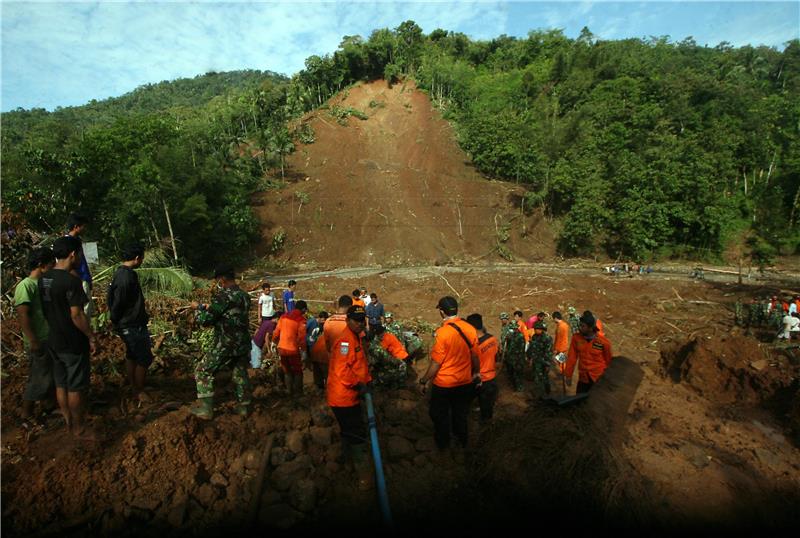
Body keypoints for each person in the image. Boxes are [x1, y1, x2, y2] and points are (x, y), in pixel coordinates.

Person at [39, 236, 98, 440]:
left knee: (61, 383)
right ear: (73, 254)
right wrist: (90, 336)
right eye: (80, 254)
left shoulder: (44, 279)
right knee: (76, 386)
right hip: (72, 341)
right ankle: (79, 427)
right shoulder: (71, 282)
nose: (82, 258)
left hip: (53, 338)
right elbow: (77, 315)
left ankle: (68, 422)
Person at [190, 266, 252, 419]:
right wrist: (209, 307)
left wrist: (197, 309)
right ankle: (243, 408)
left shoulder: (222, 296)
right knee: (240, 373)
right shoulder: (244, 296)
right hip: (242, 343)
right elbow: (231, 313)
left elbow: (205, 320)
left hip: (225, 343)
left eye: (218, 281)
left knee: (203, 370)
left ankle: (205, 409)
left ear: (222, 279)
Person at [419, 296, 480, 452]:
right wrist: (476, 373)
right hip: (464, 382)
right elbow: (474, 356)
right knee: (460, 414)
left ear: (441, 311)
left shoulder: (442, 333)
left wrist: (424, 380)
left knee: (439, 414)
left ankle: (443, 444)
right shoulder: (470, 329)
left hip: (444, 384)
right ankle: (462, 442)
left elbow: (436, 363)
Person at [327, 305, 373, 490]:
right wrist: (359, 384)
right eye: (356, 320)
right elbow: (342, 372)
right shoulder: (345, 342)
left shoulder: (356, 338)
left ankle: (347, 464)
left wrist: (367, 380)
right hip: (343, 396)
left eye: (362, 320)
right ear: (347, 320)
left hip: (349, 394)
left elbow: (359, 365)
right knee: (356, 433)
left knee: (349, 430)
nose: (360, 324)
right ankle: (364, 477)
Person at [107, 244, 153, 404]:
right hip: (130, 323)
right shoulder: (126, 277)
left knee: (132, 354)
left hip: (129, 322)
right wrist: (115, 319)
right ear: (137, 258)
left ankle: (133, 384)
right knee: (145, 357)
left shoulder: (122, 274)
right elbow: (119, 301)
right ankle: (138, 390)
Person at [14, 247, 56, 420]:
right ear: (41, 265)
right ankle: (27, 412)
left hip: (49, 336)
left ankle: (48, 406)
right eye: (50, 263)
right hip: (38, 339)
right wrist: (33, 340)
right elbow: (23, 315)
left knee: (48, 374)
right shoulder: (25, 286)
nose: (53, 266)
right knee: (39, 377)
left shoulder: (44, 283)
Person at [563, 311, 613, 393]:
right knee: (579, 401)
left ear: (590, 328)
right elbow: (572, 357)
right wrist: (568, 375)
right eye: (580, 325)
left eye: (583, 326)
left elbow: (609, 361)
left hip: (598, 378)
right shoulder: (576, 338)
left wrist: (608, 380)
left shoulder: (603, 342)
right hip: (583, 378)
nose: (580, 327)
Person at [466, 314, 499, 424]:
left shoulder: (475, 346)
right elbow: (496, 356)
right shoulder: (493, 339)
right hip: (492, 378)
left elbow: (472, 363)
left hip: (479, 380)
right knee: (487, 409)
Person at [273, 300, 309, 398]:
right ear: (303, 309)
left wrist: (274, 342)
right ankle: (298, 393)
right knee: (298, 371)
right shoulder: (301, 320)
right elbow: (302, 338)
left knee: (287, 370)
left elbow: (276, 332)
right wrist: (304, 351)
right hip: (292, 349)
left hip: (281, 347)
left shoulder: (283, 316)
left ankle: (289, 391)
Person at [65, 213, 94, 316]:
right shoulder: (67, 242)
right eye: (83, 226)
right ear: (76, 227)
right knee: (82, 311)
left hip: (83, 278)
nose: (84, 229)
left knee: (87, 309)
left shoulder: (77, 241)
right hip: (77, 279)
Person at [499, 312, 526, 392]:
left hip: (517, 358)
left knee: (518, 373)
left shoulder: (520, 336)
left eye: (513, 328)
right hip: (511, 356)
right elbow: (506, 342)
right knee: (512, 372)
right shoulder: (510, 335)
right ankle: (515, 386)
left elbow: (521, 349)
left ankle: (520, 389)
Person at [527, 321, 553, 397]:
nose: (535, 330)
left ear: (541, 329)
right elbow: (532, 348)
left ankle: (545, 393)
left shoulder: (547, 338)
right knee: (537, 377)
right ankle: (540, 394)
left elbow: (548, 352)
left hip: (543, 362)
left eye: (537, 329)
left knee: (544, 378)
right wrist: (530, 358)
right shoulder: (534, 336)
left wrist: (548, 364)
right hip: (536, 361)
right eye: (535, 329)